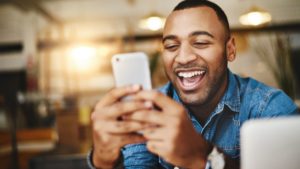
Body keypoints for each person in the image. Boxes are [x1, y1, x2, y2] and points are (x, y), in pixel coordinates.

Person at [87, 1, 299, 169]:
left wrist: (203, 157)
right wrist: (103, 162)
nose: (184, 57)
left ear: (230, 50)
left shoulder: (271, 110)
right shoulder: (147, 109)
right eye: (171, 46)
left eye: (201, 43)